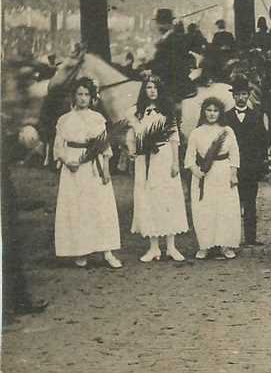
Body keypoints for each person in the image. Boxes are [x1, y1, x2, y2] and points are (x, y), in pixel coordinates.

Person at [53, 78, 122, 269]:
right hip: (73, 166)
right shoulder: (65, 119)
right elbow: (59, 146)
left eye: (86, 95)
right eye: (79, 94)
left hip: (94, 167)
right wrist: (68, 161)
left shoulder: (97, 118)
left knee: (100, 206)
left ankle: (107, 251)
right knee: (78, 207)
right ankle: (81, 250)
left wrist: (106, 171)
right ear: (74, 96)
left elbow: (104, 146)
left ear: (91, 97)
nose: (83, 98)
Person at [127, 75, 188, 262]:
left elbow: (174, 137)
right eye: (148, 88)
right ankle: (153, 247)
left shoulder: (167, 111)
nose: (152, 91)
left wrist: (175, 163)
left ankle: (171, 246)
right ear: (144, 91)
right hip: (145, 159)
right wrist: (132, 150)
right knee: (148, 199)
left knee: (168, 198)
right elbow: (132, 134)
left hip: (164, 156)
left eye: (155, 87)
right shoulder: (137, 112)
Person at [185, 97, 241, 260]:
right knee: (205, 209)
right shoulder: (197, 132)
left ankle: (225, 245)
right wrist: (196, 171)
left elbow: (235, 153)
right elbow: (189, 158)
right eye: (208, 110)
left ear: (220, 113)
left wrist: (233, 173)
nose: (212, 114)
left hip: (223, 173)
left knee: (225, 209)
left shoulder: (227, 131)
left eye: (215, 111)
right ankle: (205, 245)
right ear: (203, 112)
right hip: (204, 175)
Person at [2, 128, 48, 323]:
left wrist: (20, 140)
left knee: (12, 249)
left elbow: (6, 150)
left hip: (4, 194)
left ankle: (20, 301)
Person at [224, 77, 269, 246]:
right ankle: (231, 238)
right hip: (230, 166)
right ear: (233, 96)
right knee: (232, 202)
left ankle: (251, 238)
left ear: (249, 95)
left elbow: (263, 140)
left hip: (250, 166)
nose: (241, 98)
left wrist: (260, 162)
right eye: (238, 94)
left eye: (244, 94)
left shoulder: (256, 116)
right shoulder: (226, 117)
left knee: (250, 202)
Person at [149, 8, 196, 100]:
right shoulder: (168, 38)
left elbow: (170, 63)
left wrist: (151, 70)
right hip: (170, 80)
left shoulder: (174, 39)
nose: (158, 26)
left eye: (160, 23)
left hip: (173, 84)